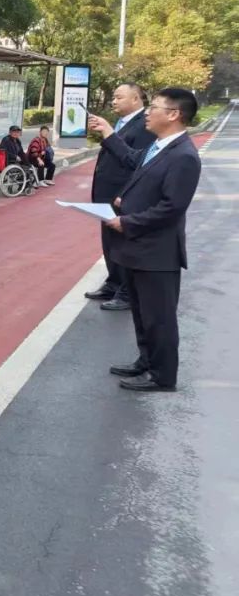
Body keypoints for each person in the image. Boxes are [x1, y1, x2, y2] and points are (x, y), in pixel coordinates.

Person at [97, 88, 202, 392]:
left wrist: (126, 221)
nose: (147, 112)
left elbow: (171, 207)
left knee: (159, 318)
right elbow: (135, 168)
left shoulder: (183, 156)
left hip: (158, 253)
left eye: (154, 107)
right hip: (138, 248)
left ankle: (162, 376)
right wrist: (124, 198)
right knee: (143, 315)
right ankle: (146, 361)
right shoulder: (158, 147)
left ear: (173, 115)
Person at [85, 83, 155, 311]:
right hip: (107, 193)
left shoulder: (144, 125)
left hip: (122, 195)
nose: (113, 101)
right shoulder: (123, 122)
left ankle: (127, 292)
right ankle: (114, 282)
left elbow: (137, 162)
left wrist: (127, 194)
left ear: (136, 99)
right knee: (110, 242)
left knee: (124, 244)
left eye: (119, 97)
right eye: (113, 97)